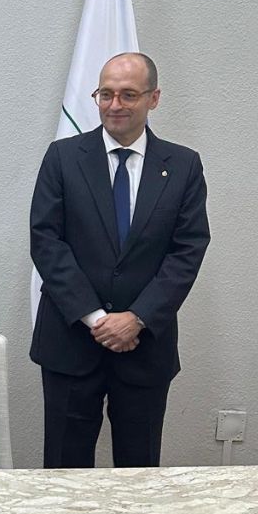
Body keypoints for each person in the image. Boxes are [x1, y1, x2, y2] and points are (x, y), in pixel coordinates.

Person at [30, 52, 210, 468]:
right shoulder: (63, 157)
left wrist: (137, 318)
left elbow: (188, 249)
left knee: (139, 473)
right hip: (71, 343)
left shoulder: (183, 165)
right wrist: (96, 318)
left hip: (144, 347)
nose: (115, 105)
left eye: (128, 94)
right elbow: (46, 241)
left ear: (153, 98)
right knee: (64, 473)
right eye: (106, 94)